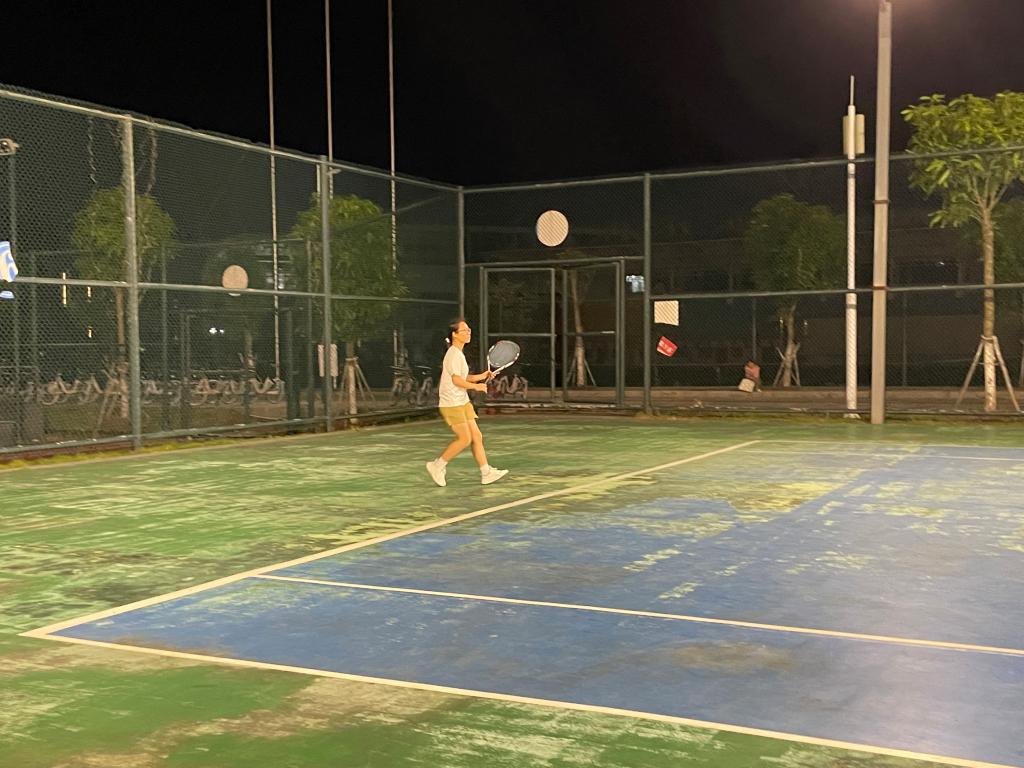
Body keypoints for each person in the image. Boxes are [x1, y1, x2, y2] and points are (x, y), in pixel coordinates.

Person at [425, 319, 509, 487]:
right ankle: (437, 466)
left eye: (469, 329)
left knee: (476, 436)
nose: (469, 332)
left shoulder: (459, 354)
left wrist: (482, 376)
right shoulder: (453, 355)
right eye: (464, 330)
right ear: (454, 335)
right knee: (464, 439)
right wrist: (477, 387)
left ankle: (486, 473)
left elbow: (464, 377)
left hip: (461, 401)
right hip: (451, 403)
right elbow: (457, 381)